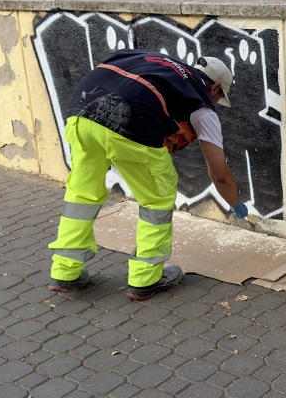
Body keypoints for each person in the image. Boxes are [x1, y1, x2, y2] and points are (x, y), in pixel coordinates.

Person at [47, 49, 248, 301]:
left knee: (82, 193)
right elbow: (220, 173)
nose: (216, 104)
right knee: (157, 198)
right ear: (216, 87)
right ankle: (146, 278)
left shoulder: (160, 65)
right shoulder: (200, 103)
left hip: (82, 113)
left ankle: (65, 270)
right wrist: (236, 204)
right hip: (132, 121)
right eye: (219, 98)